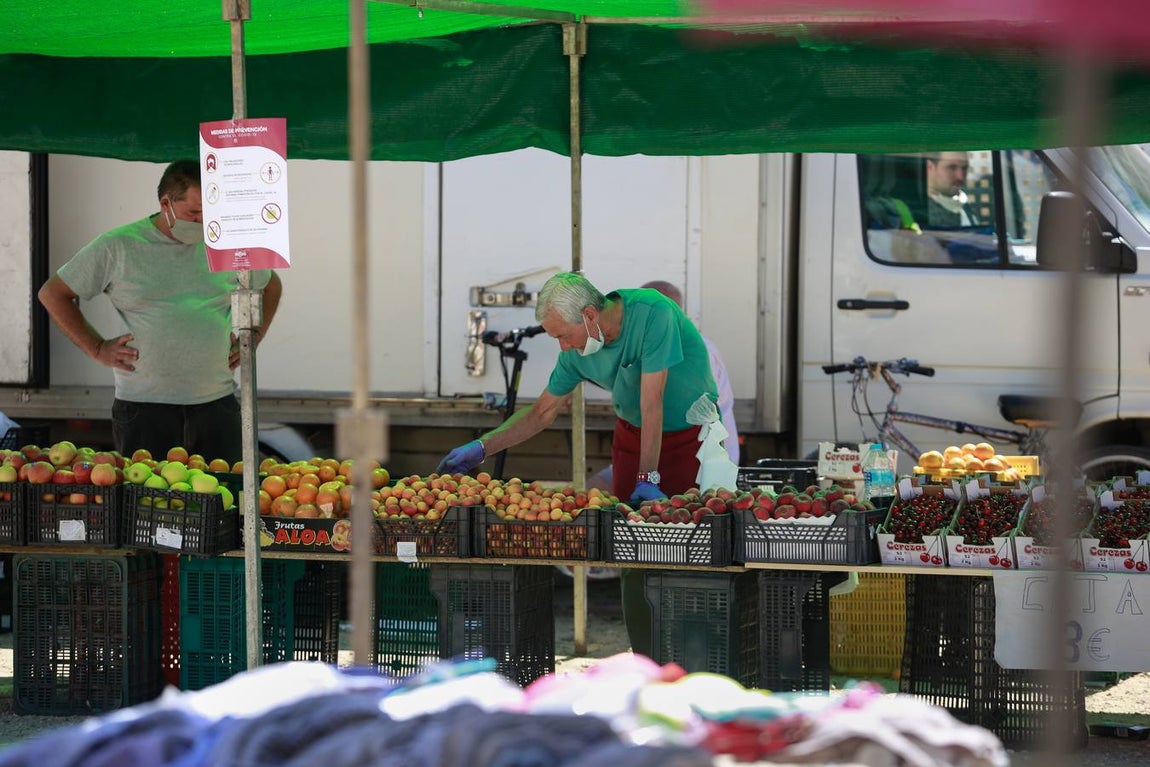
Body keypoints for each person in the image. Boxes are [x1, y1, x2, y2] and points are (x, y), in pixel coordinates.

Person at [436, 272, 720, 656]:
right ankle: (646, 657)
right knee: (633, 550)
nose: (561, 344)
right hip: (634, 433)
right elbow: (541, 413)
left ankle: (693, 654)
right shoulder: (576, 352)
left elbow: (653, 400)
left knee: (686, 551)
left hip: (690, 437)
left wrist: (648, 476)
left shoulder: (654, 312)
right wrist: (482, 447)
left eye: (562, 334)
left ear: (589, 315)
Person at [38, 160, 282, 464]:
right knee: (148, 508)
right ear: (165, 203)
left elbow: (270, 286)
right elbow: (53, 294)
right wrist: (97, 347)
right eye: (194, 214)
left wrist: (253, 336)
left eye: (210, 212)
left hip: (216, 404)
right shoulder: (120, 246)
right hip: (143, 407)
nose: (204, 222)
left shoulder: (227, 243)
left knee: (224, 503)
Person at [587, 279, 739, 492]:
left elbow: (665, 408)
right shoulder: (638, 344)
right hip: (649, 451)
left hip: (700, 455)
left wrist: (647, 477)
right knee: (596, 489)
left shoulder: (697, 352)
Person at [924, 151, 980, 228]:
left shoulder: (963, 204)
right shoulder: (920, 211)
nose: (960, 177)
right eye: (952, 167)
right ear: (929, 167)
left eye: (964, 168)